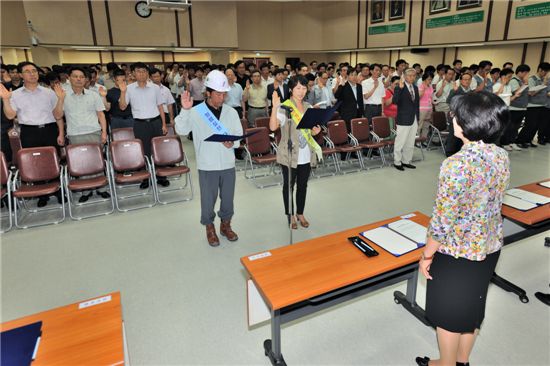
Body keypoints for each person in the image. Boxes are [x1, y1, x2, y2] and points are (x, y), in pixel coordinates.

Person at [416, 91, 510, 366]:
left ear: (466, 122)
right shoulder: (500, 155)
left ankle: (446, 364)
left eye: (456, 114)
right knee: (472, 307)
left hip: (457, 252)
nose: (452, 117)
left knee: (448, 314)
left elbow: (442, 222)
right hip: (490, 245)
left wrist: (427, 256)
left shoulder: (455, 165)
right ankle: (462, 360)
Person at [174, 70, 242, 247]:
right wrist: (185, 110)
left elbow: (238, 135)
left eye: (224, 94)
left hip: (227, 163)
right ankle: (209, 228)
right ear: (208, 92)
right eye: (218, 94)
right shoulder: (196, 112)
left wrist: (232, 144)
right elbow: (181, 130)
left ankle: (225, 226)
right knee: (208, 199)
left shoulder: (231, 112)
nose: (222, 97)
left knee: (228, 198)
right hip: (207, 164)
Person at [0, 61, 65, 207]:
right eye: (28, 71)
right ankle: (42, 193)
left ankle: (57, 190)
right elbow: (10, 116)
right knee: (36, 163)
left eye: (34, 71)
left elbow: (58, 114)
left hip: (49, 129)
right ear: (21, 75)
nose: (32, 74)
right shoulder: (15, 95)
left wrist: (60, 100)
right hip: (29, 131)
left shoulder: (49, 92)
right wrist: (5, 100)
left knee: (54, 160)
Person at [269, 75, 322, 230]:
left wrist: (315, 131)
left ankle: (300, 213)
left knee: (303, 186)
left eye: (304, 88)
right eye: (298, 88)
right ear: (291, 89)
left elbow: (311, 131)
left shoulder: (308, 107)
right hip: (289, 154)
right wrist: (274, 107)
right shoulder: (285, 106)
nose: (301, 91)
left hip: (306, 154)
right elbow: (273, 127)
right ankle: (290, 214)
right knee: (289, 186)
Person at [63, 67, 109, 202]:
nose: (78, 79)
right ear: (69, 78)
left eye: (81, 77)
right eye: (75, 76)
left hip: (93, 132)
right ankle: (86, 191)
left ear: (85, 79)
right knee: (82, 163)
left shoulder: (93, 95)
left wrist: (104, 132)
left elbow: (101, 114)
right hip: (75, 134)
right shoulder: (63, 96)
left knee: (97, 162)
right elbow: (58, 115)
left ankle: (102, 188)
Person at [118, 62, 168, 189]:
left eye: (144, 71)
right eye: (139, 71)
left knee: (159, 150)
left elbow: (160, 106)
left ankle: (161, 176)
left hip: (156, 122)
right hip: (140, 124)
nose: (142, 73)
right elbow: (122, 106)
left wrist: (164, 124)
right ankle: (146, 177)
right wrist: (123, 92)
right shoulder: (128, 88)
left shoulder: (155, 88)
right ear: (133, 74)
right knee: (144, 151)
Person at [516, 62, 550, 148]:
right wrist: (543, 85)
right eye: (544, 71)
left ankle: (528, 140)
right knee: (530, 124)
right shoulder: (532, 79)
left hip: (542, 105)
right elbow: (531, 93)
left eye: (547, 71)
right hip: (532, 105)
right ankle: (520, 140)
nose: (545, 73)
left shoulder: (544, 80)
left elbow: (546, 92)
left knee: (537, 125)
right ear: (540, 69)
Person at [392, 68, 419, 171]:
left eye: (414, 75)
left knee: (410, 142)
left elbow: (416, 104)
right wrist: (400, 87)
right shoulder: (399, 87)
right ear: (404, 76)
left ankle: (406, 161)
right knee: (400, 142)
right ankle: (397, 162)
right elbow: (395, 101)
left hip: (414, 118)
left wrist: (418, 117)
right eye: (410, 75)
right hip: (403, 118)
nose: (412, 77)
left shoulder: (415, 88)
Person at [501, 64, 530, 150]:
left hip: (522, 107)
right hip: (514, 108)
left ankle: (512, 142)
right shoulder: (514, 81)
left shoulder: (521, 81)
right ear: (520, 72)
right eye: (525, 73)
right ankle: (505, 142)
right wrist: (524, 84)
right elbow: (516, 92)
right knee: (510, 127)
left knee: (516, 127)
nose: (526, 75)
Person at [418, 73, 434, 141]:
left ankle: (423, 139)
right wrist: (423, 89)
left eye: (431, 79)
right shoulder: (421, 86)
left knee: (426, 124)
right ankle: (417, 140)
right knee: (420, 124)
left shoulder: (430, 86)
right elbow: (419, 97)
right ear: (424, 79)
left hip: (429, 107)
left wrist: (432, 107)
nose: (430, 81)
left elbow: (431, 97)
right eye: (429, 79)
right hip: (422, 108)